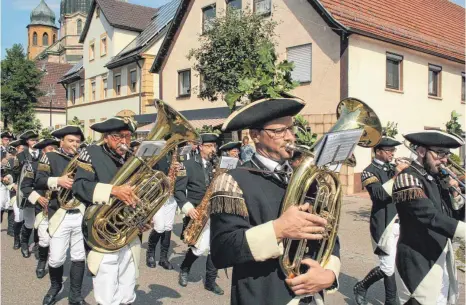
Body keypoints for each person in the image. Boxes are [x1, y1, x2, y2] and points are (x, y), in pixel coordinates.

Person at [209, 95, 340, 305]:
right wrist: (279, 229)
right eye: (279, 131)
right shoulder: (232, 180)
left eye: (291, 129)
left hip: (312, 296)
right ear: (255, 135)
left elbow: (329, 233)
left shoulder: (307, 179)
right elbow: (222, 250)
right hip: (263, 296)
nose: (290, 137)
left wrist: (329, 274)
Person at [72, 117, 148, 305]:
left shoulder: (133, 158)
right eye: (118, 136)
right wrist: (112, 190)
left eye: (128, 137)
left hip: (129, 229)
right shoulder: (90, 153)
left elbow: (137, 194)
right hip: (102, 228)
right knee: (107, 280)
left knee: (128, 279)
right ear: (106, 137)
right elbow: (79, 186)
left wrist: (143, 217)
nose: (124, 141)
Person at [392, 130, 465, 305]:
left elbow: (453, 217)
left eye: (446, 154)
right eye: (440, 153)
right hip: (419, 264)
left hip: (441, 258)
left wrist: (455, 193)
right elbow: (430, 217)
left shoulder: (436, 178)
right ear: (421, 151)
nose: (445, 160)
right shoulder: (407, 178)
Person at [33, 127, 87, 305]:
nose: (75, 145)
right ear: (61, 141)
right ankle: (55, 286)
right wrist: (58, 181)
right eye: (71, 141)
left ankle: (75, 295)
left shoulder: (85, 159)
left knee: (79, 256)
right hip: (59, 213)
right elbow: (38, 181)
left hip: (80, 212)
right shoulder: (50, 157)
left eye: (78, 141)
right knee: (56, 258)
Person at [353, 136, 408, 305]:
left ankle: (391, 302)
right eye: (389, 151)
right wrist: (397, 175)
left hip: (402, 223)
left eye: (393, 151)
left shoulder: (393, 168)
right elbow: (379, 195)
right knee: (387, 267)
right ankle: (361, 286)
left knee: (395, 267)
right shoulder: (369, 171)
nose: (393, 154)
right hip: (384, 224)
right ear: (378, 151)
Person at [175, 133, 224, 295]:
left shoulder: (216, 165)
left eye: (214, 146)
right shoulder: (186, 164)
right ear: (200, 146)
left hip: (216, 210)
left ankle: (210, 281)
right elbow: (179, 191)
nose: (213, 149)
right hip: (197, 210)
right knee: (199, 247)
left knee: (214, 248)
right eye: (209, 146)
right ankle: (185, 267)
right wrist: (188, 208)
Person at [20, 138, 59, 278]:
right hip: (43, 208)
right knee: (44, 239)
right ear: (43, 152)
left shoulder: (61, 166)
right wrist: (38, 198)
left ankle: (55, 263)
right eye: (50, 149)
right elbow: (25, 187)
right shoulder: (33, 165)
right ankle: (42, 262)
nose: (53, 152)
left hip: (60, 208)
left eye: (55, 149)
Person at [146, 145, 179, 270]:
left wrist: (179, 169)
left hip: (171, 197)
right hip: (158, 195)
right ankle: (150, 254)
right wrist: (165, 178)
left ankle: (163, 258)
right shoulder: (156, 155)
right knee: (159, 227)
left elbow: (182, 174)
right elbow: (149, 174)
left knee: (168, 227)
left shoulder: (175, 155)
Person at [13, 130, 41, 258]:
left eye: (36, 139)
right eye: (31, 140)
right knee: (29, 221)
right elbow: (15, 173)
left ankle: (37, 244)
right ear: (27, 142)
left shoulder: (44, 154)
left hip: (42, 191)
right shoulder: (21, 156)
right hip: (27, 192)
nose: (34, 142)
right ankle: (24, 242)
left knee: (40, 222)